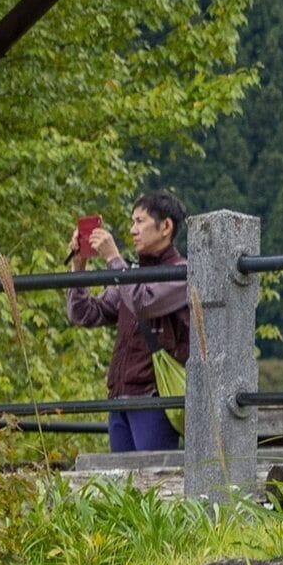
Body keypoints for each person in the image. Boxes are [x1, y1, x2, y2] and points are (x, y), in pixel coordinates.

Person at [69, 191, 191, 453]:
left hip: (153, 398)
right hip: (119, 398)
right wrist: (79, 269)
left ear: (166, 227)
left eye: (139, 221)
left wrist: (114, 259)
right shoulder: (131, 274)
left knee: (153, 484)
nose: (132, 230)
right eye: (132, 222)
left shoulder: (182, 273)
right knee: (120, 488)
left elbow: (142, 302)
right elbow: (85, 313)